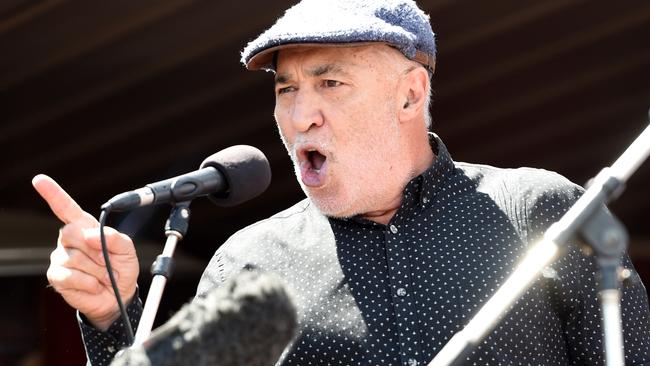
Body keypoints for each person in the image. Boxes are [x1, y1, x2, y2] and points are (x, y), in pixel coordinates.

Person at [33, 0, 650, 365]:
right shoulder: (248, 262)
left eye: (330, 84)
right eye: (286, 90)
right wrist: (114, 314)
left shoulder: (539, 210)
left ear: (410, 93)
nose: (302, 115)